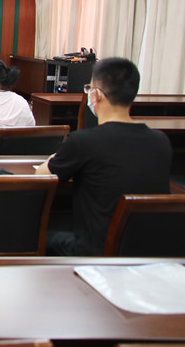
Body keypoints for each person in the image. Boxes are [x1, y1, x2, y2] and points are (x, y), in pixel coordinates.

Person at [36, 57, 171, 256]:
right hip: (147, 251)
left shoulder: (83, 141)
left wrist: (54, 157)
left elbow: (42, 177)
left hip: (95, 252)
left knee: (34, 234)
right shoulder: (161, 141)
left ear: (96, 95)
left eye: (89, 89)